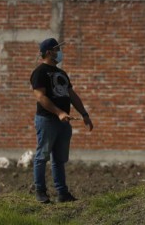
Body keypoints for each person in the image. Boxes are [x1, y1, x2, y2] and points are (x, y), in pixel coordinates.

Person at [30, 38, 94, 203]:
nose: (60, 53)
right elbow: (40, 97)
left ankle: (62, 193)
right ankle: (40, 191)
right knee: (42, 156)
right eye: (57, 49)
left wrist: (84, 114)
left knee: (59, 159)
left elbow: (71, 95)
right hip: (47, 120)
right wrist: (59, 113)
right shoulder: (40, 72)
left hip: (63, 123)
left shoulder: (61, 73)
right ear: (49, 52)